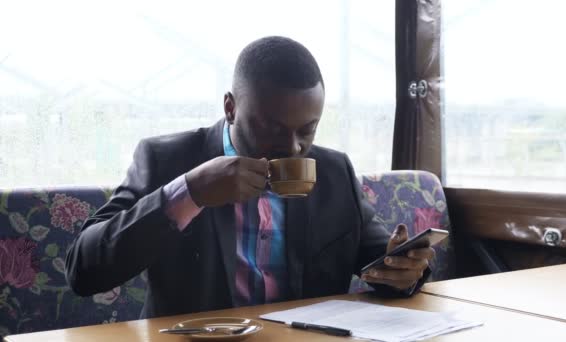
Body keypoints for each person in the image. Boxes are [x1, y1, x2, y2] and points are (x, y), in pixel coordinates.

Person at [64, 36, 435, 319]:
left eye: (308, 130)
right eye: (272, 128)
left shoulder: (334, 172)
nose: (292, 147)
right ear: (231, 107)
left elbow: (381, 264)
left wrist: (404, 269)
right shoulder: (168, 160)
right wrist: (190, 193)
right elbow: (83, 271)